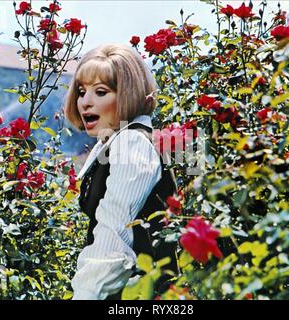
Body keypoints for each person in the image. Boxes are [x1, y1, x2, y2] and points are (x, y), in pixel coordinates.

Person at [63, 43, 178, 300]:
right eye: (81, 91)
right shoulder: (119, 141)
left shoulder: (132, 143)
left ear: (127, 94)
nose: (85, 102)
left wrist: (86, 294)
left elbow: (114, 234)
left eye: (101, 92)